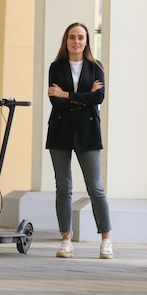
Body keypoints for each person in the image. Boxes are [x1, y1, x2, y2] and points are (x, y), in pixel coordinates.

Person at [46, 22, 113, 259]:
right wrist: (83, 98)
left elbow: (99, 97)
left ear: (87, 41)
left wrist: (67, 94)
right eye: (72, 37)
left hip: (88, 132)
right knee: (63, 188)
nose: (76, 42)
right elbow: (56, 101)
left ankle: (106, 239)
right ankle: (66, 240)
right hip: (60, 131)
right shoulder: (56, 67)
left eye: (81, 38)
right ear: (66, 41)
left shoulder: (96, 68)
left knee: (96, 188)